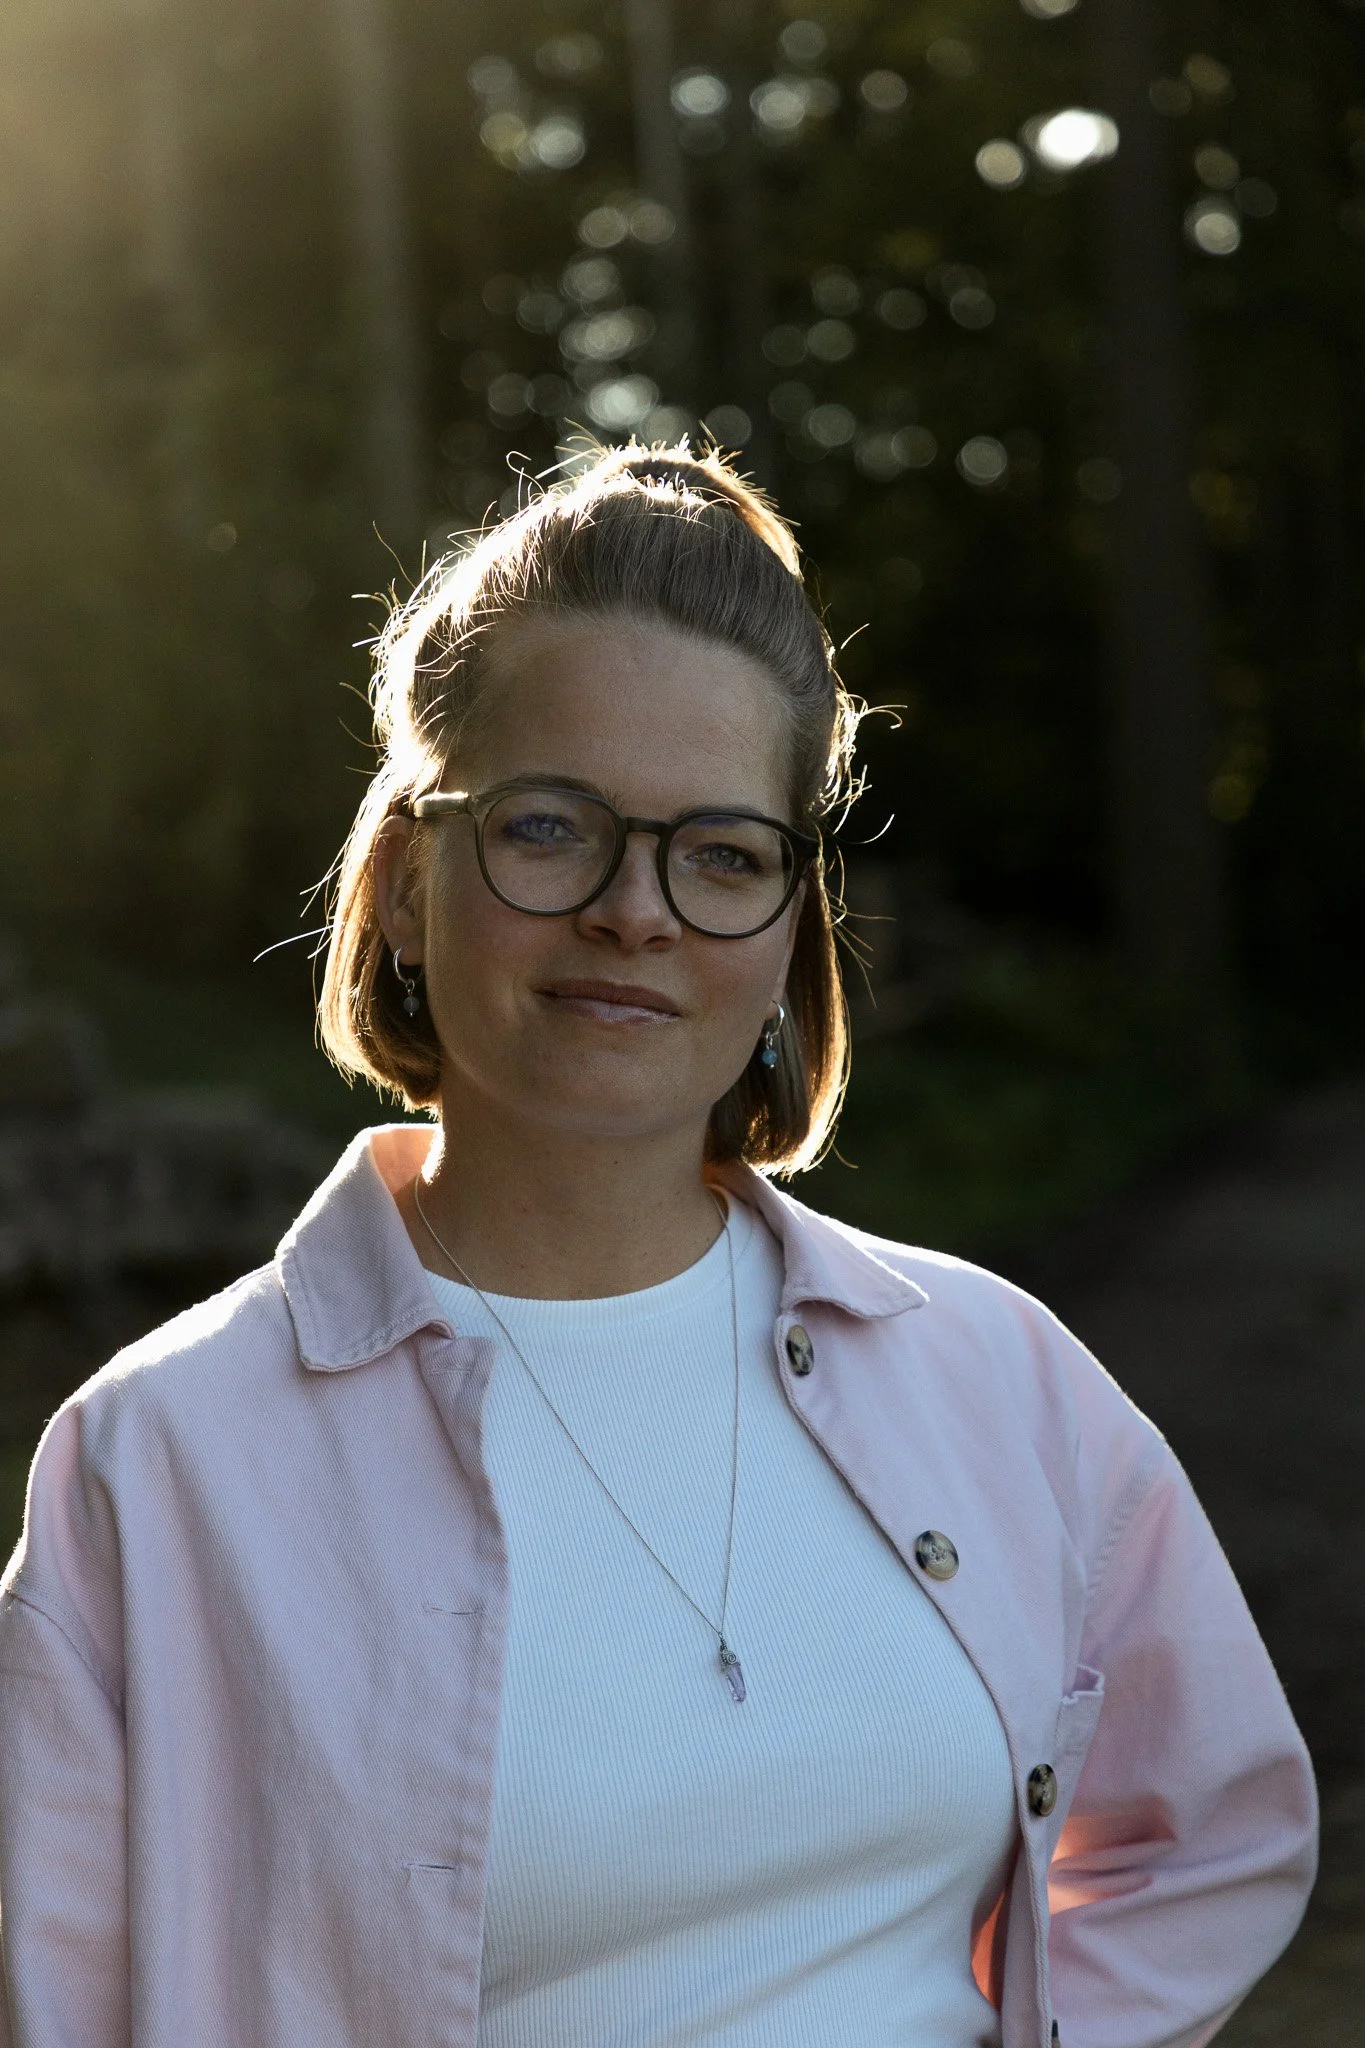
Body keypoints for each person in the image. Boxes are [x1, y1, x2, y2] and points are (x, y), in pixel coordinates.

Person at [0, 444, 1315, 2048]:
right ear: (409, 884)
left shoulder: (1004, 1377)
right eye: (550, 827)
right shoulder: (161, 1461)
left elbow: (1216, 1832)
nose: (638, 911)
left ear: (785, 939)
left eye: (722, 853)